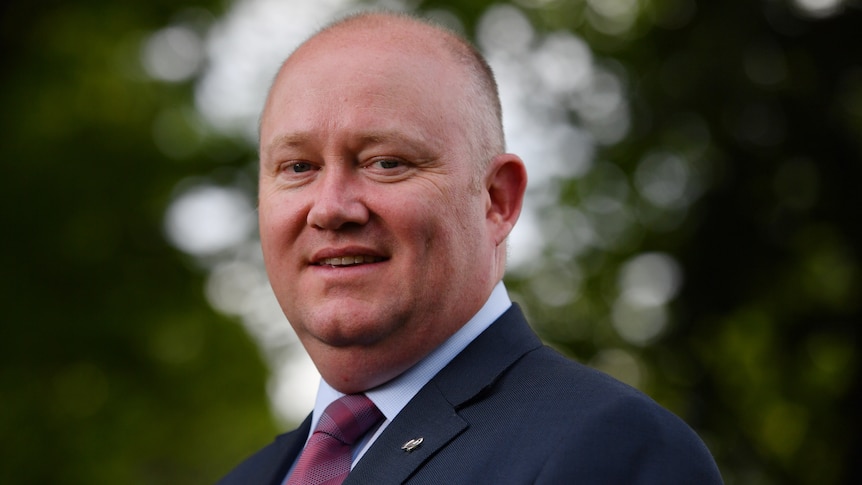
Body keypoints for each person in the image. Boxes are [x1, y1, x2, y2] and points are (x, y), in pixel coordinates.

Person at [218, 10, 723, 485]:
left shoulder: (613, 450)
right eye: (299, 168)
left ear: (496, 200)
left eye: (386, 162)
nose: (330, 209)